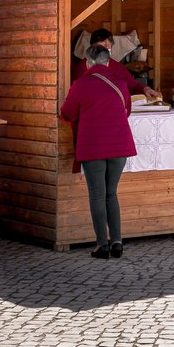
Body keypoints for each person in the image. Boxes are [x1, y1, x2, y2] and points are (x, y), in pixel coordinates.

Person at [60, 45, 136, 259]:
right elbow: (126, 111)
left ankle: (102, 245)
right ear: (108, 60)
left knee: (97, 195)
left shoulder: (80, 85)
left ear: (88, 62)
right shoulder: (120, 84)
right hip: (119, 146)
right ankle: (118, 242)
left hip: (93, 145)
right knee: (112, 194)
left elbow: (67, 112)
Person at [73, 28, 161, 99]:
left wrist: (145, 89)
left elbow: (133, 85)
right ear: (93, 46)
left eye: (109, 45)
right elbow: (77, 93)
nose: (107, 48)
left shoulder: (117, 67)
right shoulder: (82, 68)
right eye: (103, 45)